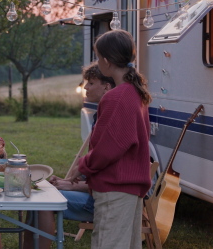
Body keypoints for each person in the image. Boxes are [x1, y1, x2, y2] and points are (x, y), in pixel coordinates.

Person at [73, 29, 152, 249]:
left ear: (106, 61)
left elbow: (109, 148)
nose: (98, 62)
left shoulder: (116, 97)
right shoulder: (136, 93)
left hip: (115, 188)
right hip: (130, 189)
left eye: (98, 58)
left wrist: (83, 165)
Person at [22, 62, 115, 249]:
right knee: (37, 195)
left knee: (42, 201)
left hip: (101, 201)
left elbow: (106, 178)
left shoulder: (111, 116)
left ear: (107, 86)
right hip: (94, 192)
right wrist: (69, 182)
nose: (85, 87)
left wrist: (72, 183)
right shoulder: (101, 114)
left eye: (91, 83)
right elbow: (92, 166)